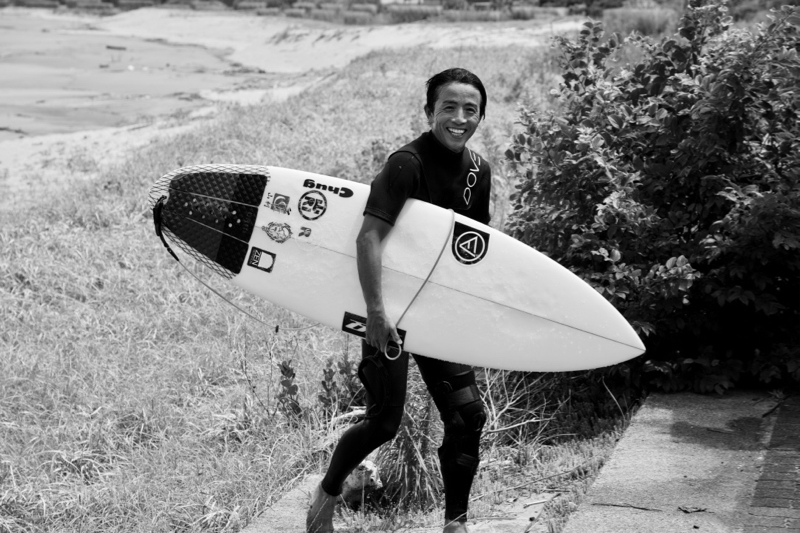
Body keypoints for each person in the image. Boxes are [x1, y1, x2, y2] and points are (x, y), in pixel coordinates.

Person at [307, 67, 492, 533]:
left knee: (468, 415)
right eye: (449, 107)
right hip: (388, 310)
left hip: (435, 310)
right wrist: (375, 312)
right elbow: (368, 238)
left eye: (470, 110)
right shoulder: (406, 164)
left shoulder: (478, 171)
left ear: (480, 117)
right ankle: (326, 493)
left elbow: (469, 249)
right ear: (429, 111)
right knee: (383, 422)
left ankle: (456, 524)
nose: (459, 118)